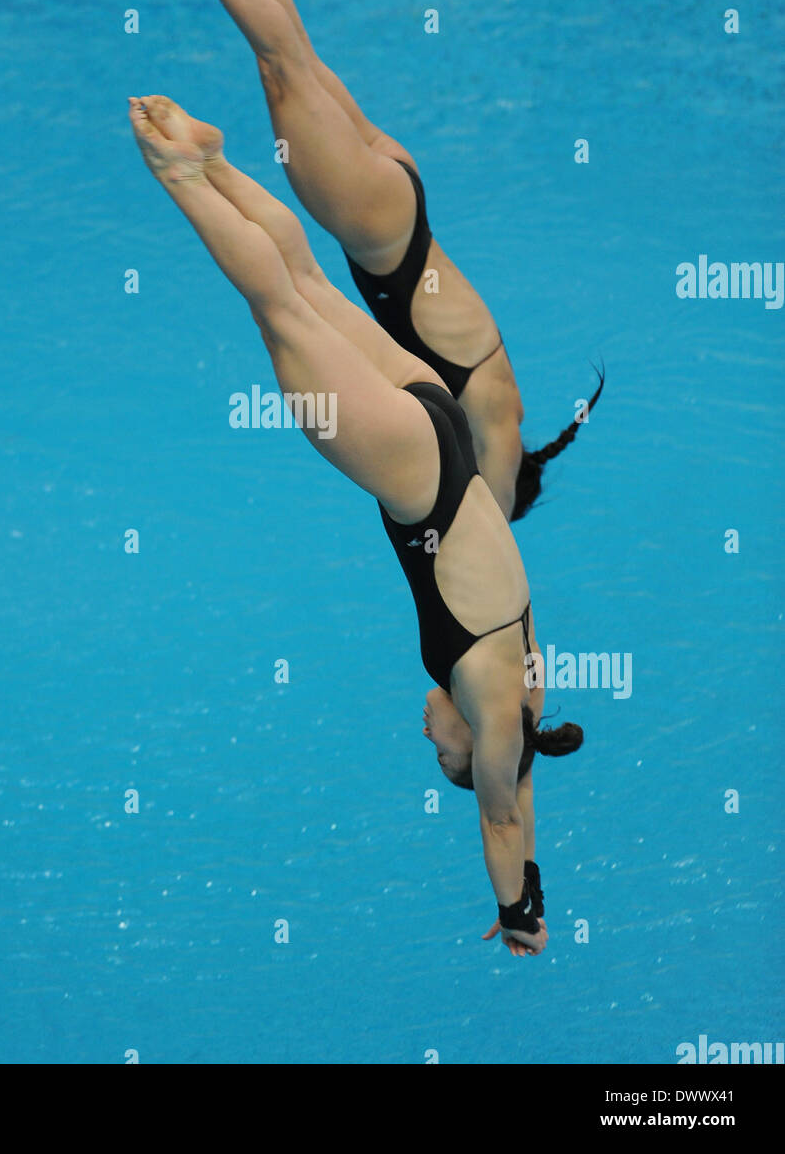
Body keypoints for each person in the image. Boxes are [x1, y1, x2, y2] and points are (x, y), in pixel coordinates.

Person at [128, 93, 583, 956]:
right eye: (441, 755)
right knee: (281, 308)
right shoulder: (492, 712)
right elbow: (498, 813)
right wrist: (525, 919)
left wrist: (536, 875)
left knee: (309, 283)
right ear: (473, 748)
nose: (429, 737)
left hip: (439, 421)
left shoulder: (529, 688)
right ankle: (186, 175)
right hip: (416, 473)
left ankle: (215, 158)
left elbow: (521, 800)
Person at [125, 0, 603, 522]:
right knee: (283, 64)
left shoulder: (500, 392)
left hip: (398, 200)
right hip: (379, 231)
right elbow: (480, 521)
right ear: (513, 473)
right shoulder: (497, 424)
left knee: (295, 52)